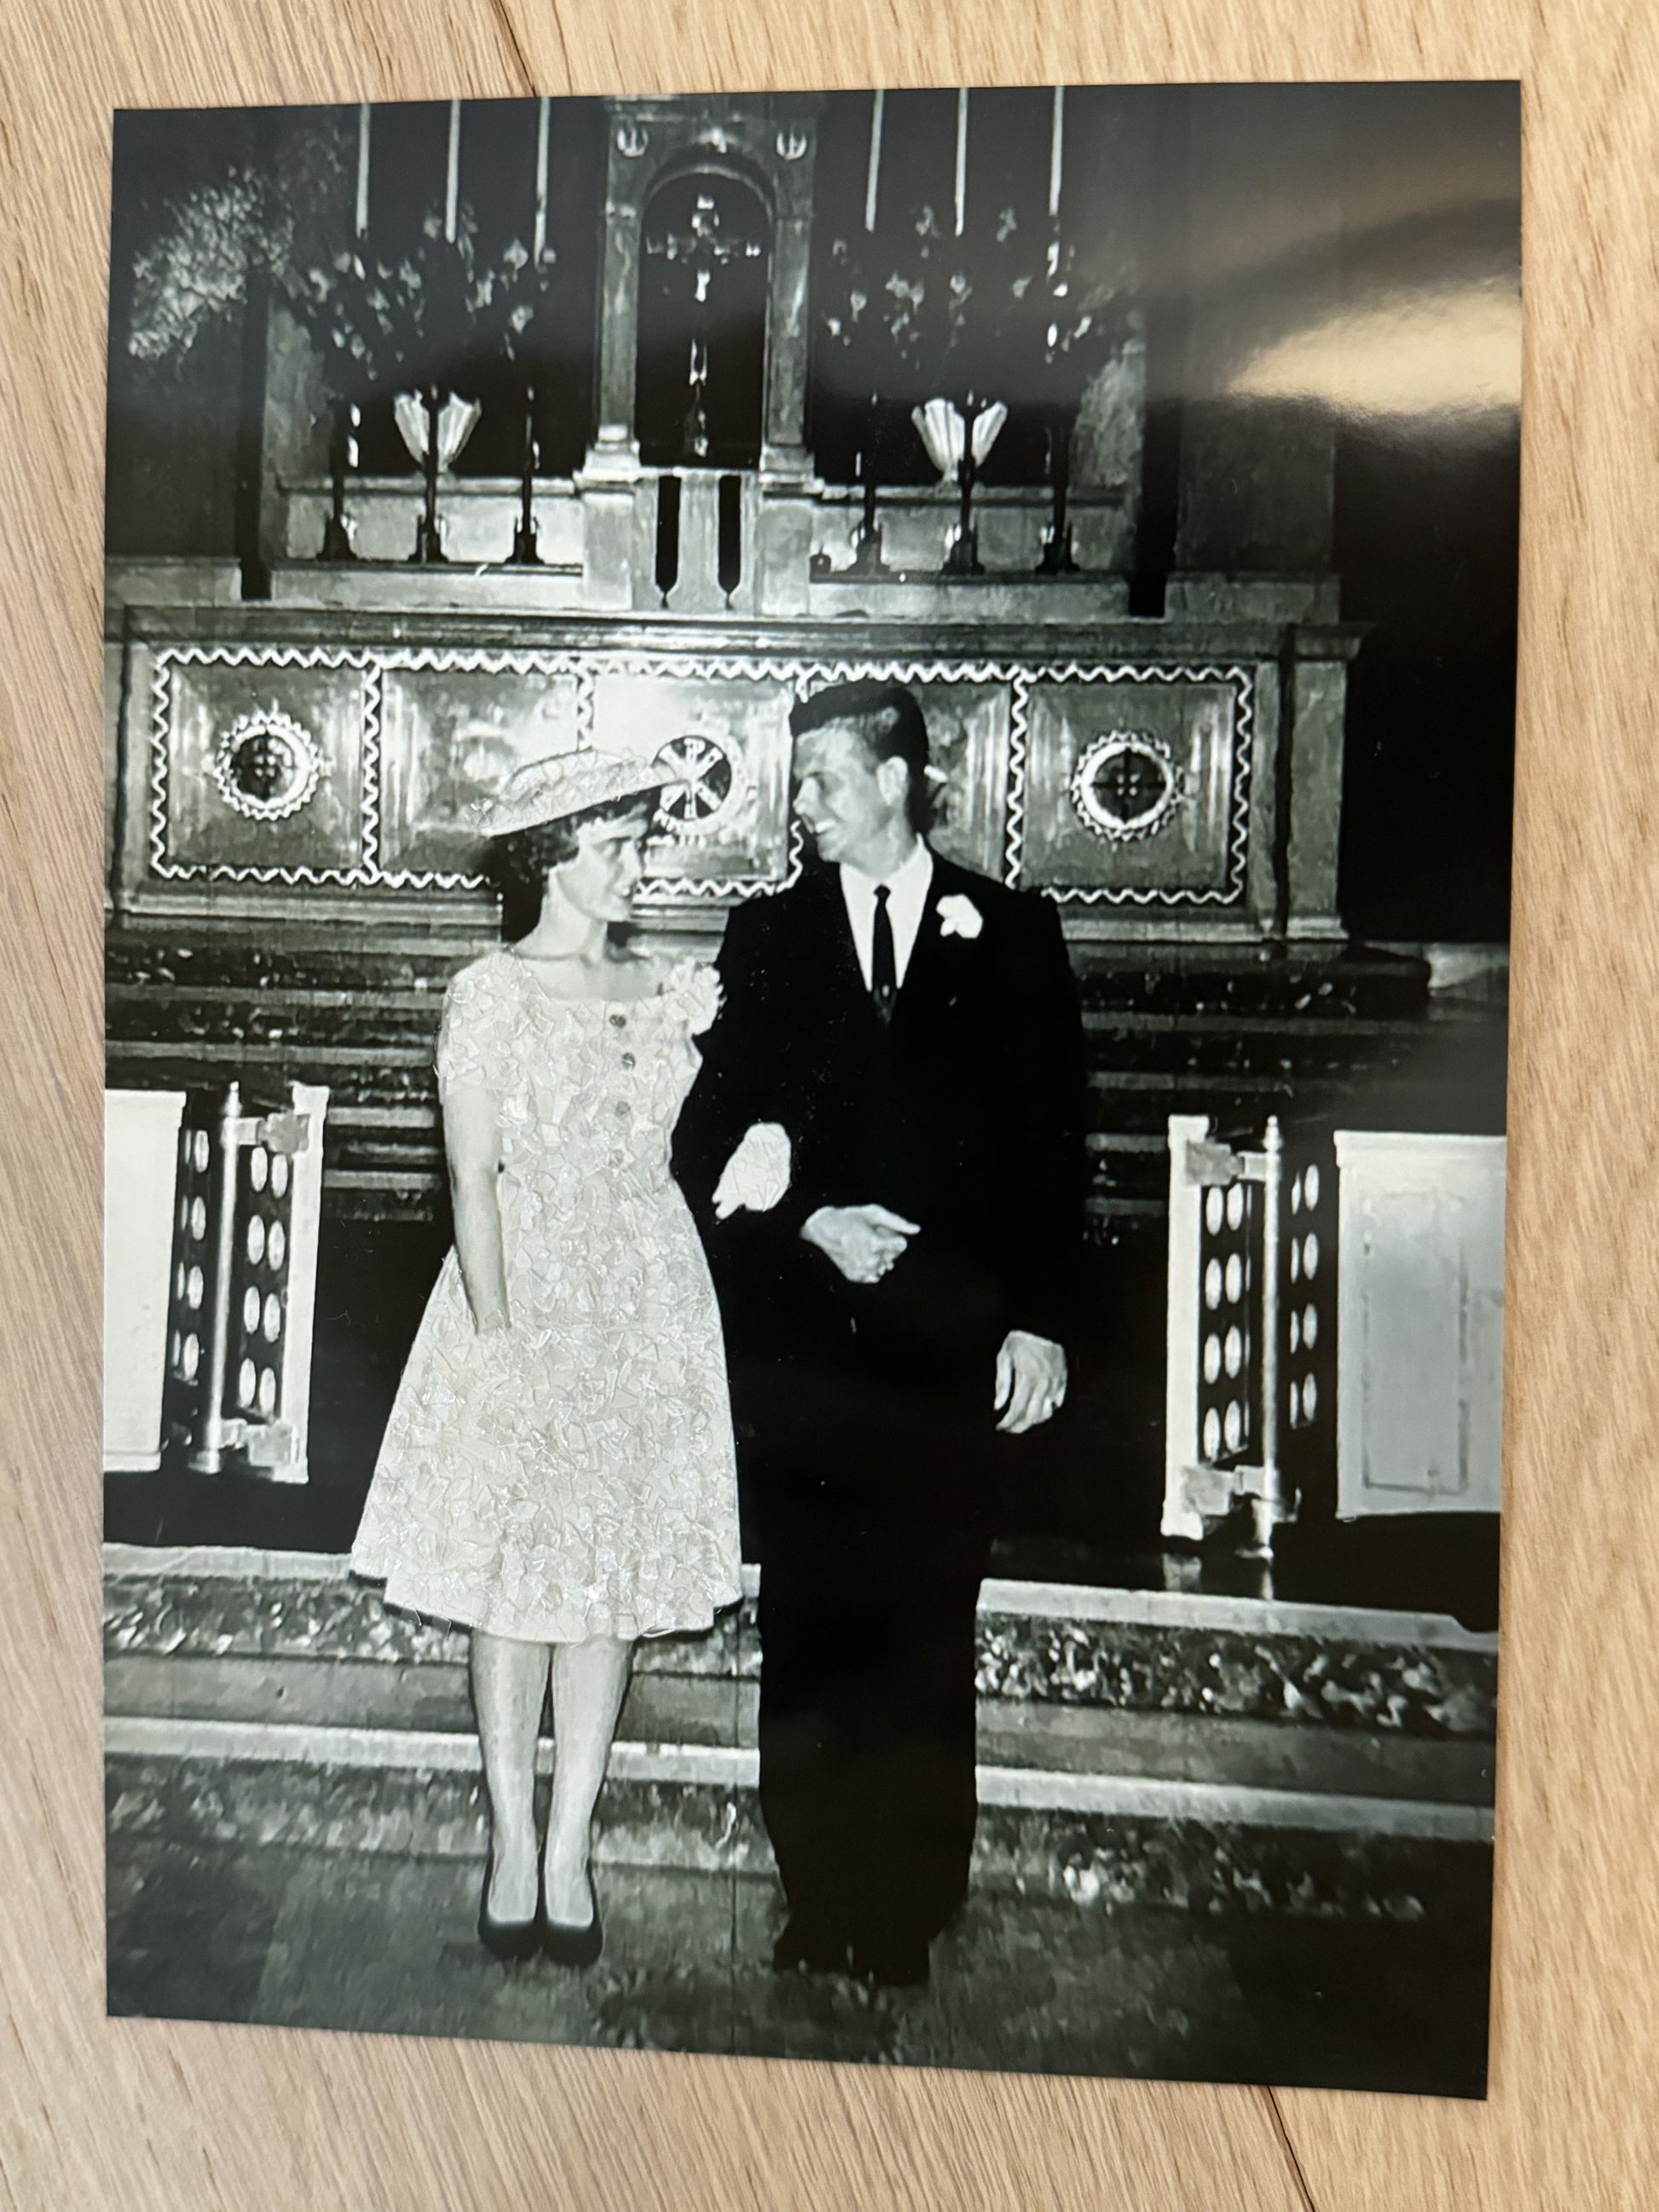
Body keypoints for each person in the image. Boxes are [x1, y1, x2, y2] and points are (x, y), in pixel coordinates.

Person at [673, 679, 1086, 1989]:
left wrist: (1041, 1322)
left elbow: (1054, 1147)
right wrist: (806, 1220)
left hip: (951, 1348)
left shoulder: (1011, 931)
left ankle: (907, 1901)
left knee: (921, 1620)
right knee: (806, 1621)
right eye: (797, 787)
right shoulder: (766, 935)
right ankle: (817, 1891)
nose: (800, 810)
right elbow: (700, 1138)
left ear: (897, 780)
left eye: (821, 783)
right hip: (807, 1344)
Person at [351, 750, 742, 1966]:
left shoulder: (672, 988)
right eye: (618, 846)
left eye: (640, 842)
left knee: (607, 1575)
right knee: (515, 1575)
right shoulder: (490, 993)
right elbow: (469, 1176)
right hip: (523, 1285)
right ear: (552, 860)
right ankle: (509, 1838)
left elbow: (718, 1134)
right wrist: (498, 1332)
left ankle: (572, 1840)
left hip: (647, 1293)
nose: (640, 865)